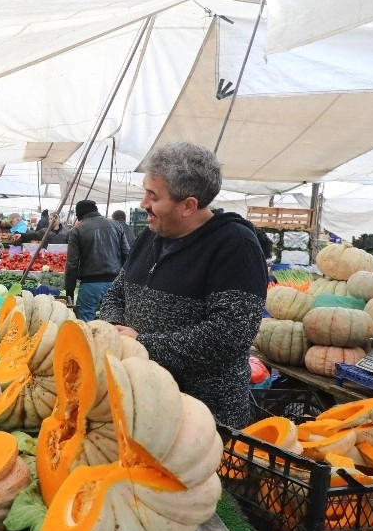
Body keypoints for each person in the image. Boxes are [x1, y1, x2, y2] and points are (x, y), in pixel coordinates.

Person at [99, 141, 267, 428]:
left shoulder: (235, 246)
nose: (143, 204)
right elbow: (117, 293)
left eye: (153, 196)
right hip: (141, 402)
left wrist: (142, 344)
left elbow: (229, 336)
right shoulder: (148, 237)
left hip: (201, 416)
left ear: (189, 205)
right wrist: (113, 330)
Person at [65, 200, 129, 321]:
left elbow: (72, 264)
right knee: (114, 324)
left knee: (85, 325)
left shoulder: (77, 231)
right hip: (115, 283)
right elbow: (127, 255)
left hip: (90, 285)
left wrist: (69, 292)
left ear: (79, 215)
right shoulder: (116, 225)